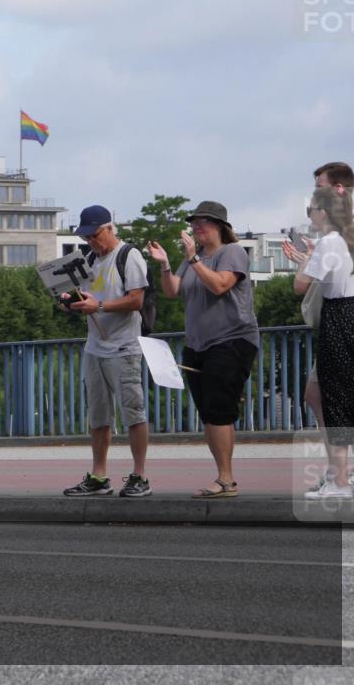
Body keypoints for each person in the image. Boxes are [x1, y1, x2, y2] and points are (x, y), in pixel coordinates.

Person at [147, 201, 259, 498]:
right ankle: (223, 477)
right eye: (194, 223)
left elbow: (220, 285)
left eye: (203, 222)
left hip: (231, 339)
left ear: (220, 225)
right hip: (198, 343)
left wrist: (193, 259)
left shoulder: (231, 252)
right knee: (208, 411)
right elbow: (173, 290)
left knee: (219, 408)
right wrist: (165, 264)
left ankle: (226, 480)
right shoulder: (193, 258)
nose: (197, 227)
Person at [59, 205, 152, 497]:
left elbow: (136, 300)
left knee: (133, 413)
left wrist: (98, 306)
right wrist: (71, 302)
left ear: (110, 228)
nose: (91, 241)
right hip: (95, 347)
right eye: (86, 237)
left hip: (124, 346)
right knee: (98, 415)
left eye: (95, 235)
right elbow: (86, 297)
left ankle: (139, 475)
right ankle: (99, 475)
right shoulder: (88, 259)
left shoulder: (129, 255)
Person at [284, 161, 354, 494]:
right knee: (350, 397)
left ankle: (339, 479)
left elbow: (301, 285)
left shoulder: (330, 240)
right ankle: (353, 476)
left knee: (336, 400)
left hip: (340, 318)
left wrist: (305, 260)